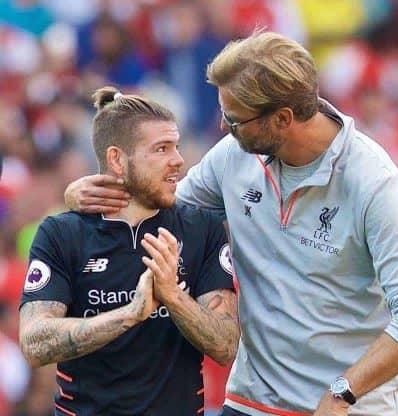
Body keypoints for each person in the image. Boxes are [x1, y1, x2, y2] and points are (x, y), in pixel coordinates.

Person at [65, 32, 398, 416]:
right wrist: (88, 197)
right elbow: (165, 214)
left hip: (347, 409)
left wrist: (343, 392)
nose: (224, 125)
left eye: (234, 119)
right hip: (250, 402)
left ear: (282, 119)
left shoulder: (371, 180)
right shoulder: (236, 154)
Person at [20, 87, 239, 416]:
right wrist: (129, 314)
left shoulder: (200, 228)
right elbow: (34, 343)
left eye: (176, 146)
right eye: (161, 149)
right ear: (117, 160)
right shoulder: (63, 233)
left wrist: (172, 296)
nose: (178, 160)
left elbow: (226, 345)